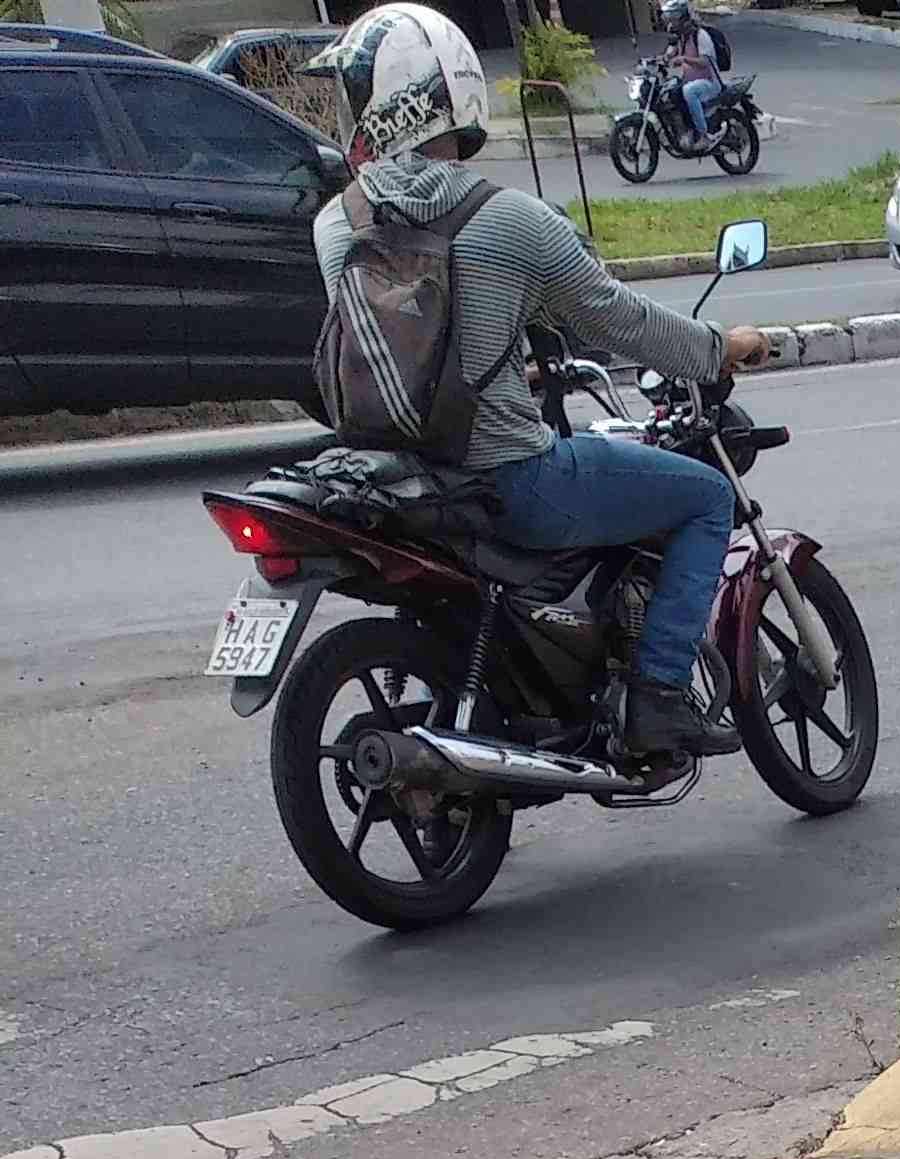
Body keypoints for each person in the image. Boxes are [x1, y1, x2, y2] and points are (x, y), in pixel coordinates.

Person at [316, 2, 772, 761]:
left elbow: (400, 345)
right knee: (705, 497)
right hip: (510, 479)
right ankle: (659, 695)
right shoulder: (511, 220)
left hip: (397, 476)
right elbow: (618, 320)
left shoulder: (335, 224)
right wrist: (718, 348)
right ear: (455, 92)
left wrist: (505, 363)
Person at [661, 0, 730, 154]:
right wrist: (661, 59)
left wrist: (684, 59)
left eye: (674, 19)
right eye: (669, 19)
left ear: (684, 18)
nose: (671, 24)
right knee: (671, 92)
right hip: (691, 81)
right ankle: (685, 130)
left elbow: (705, 62)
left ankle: (704, 135)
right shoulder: (680, 38)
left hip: (710, 83)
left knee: (689, 91)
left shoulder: (701, 36)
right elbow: (670, 53)